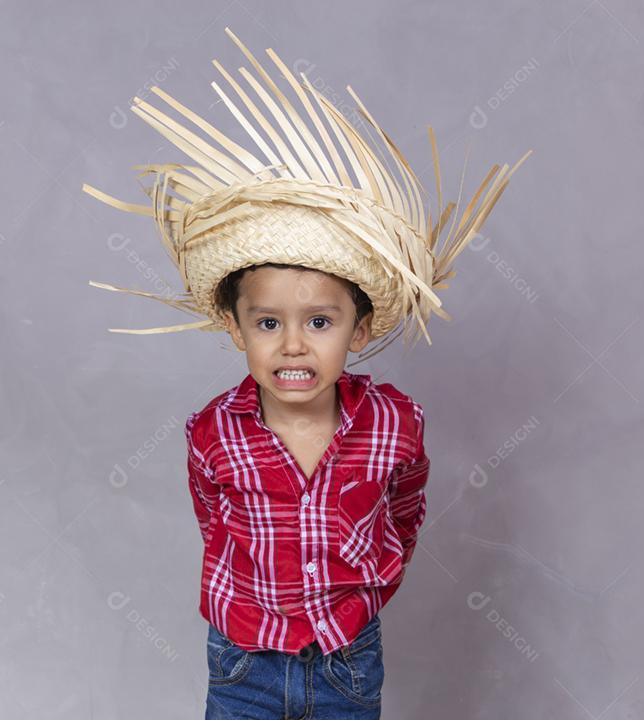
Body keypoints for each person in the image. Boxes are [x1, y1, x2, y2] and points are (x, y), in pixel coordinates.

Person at [82, 26, 529, 719]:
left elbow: (404, 510)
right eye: (268, 324)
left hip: (347, 659)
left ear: (360, 328)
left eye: (320, 322)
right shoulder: (214, 432)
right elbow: (215, 524)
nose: (293, 346)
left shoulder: (393, 425)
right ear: (235, 328)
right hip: (245, 660)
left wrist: (370, 585)